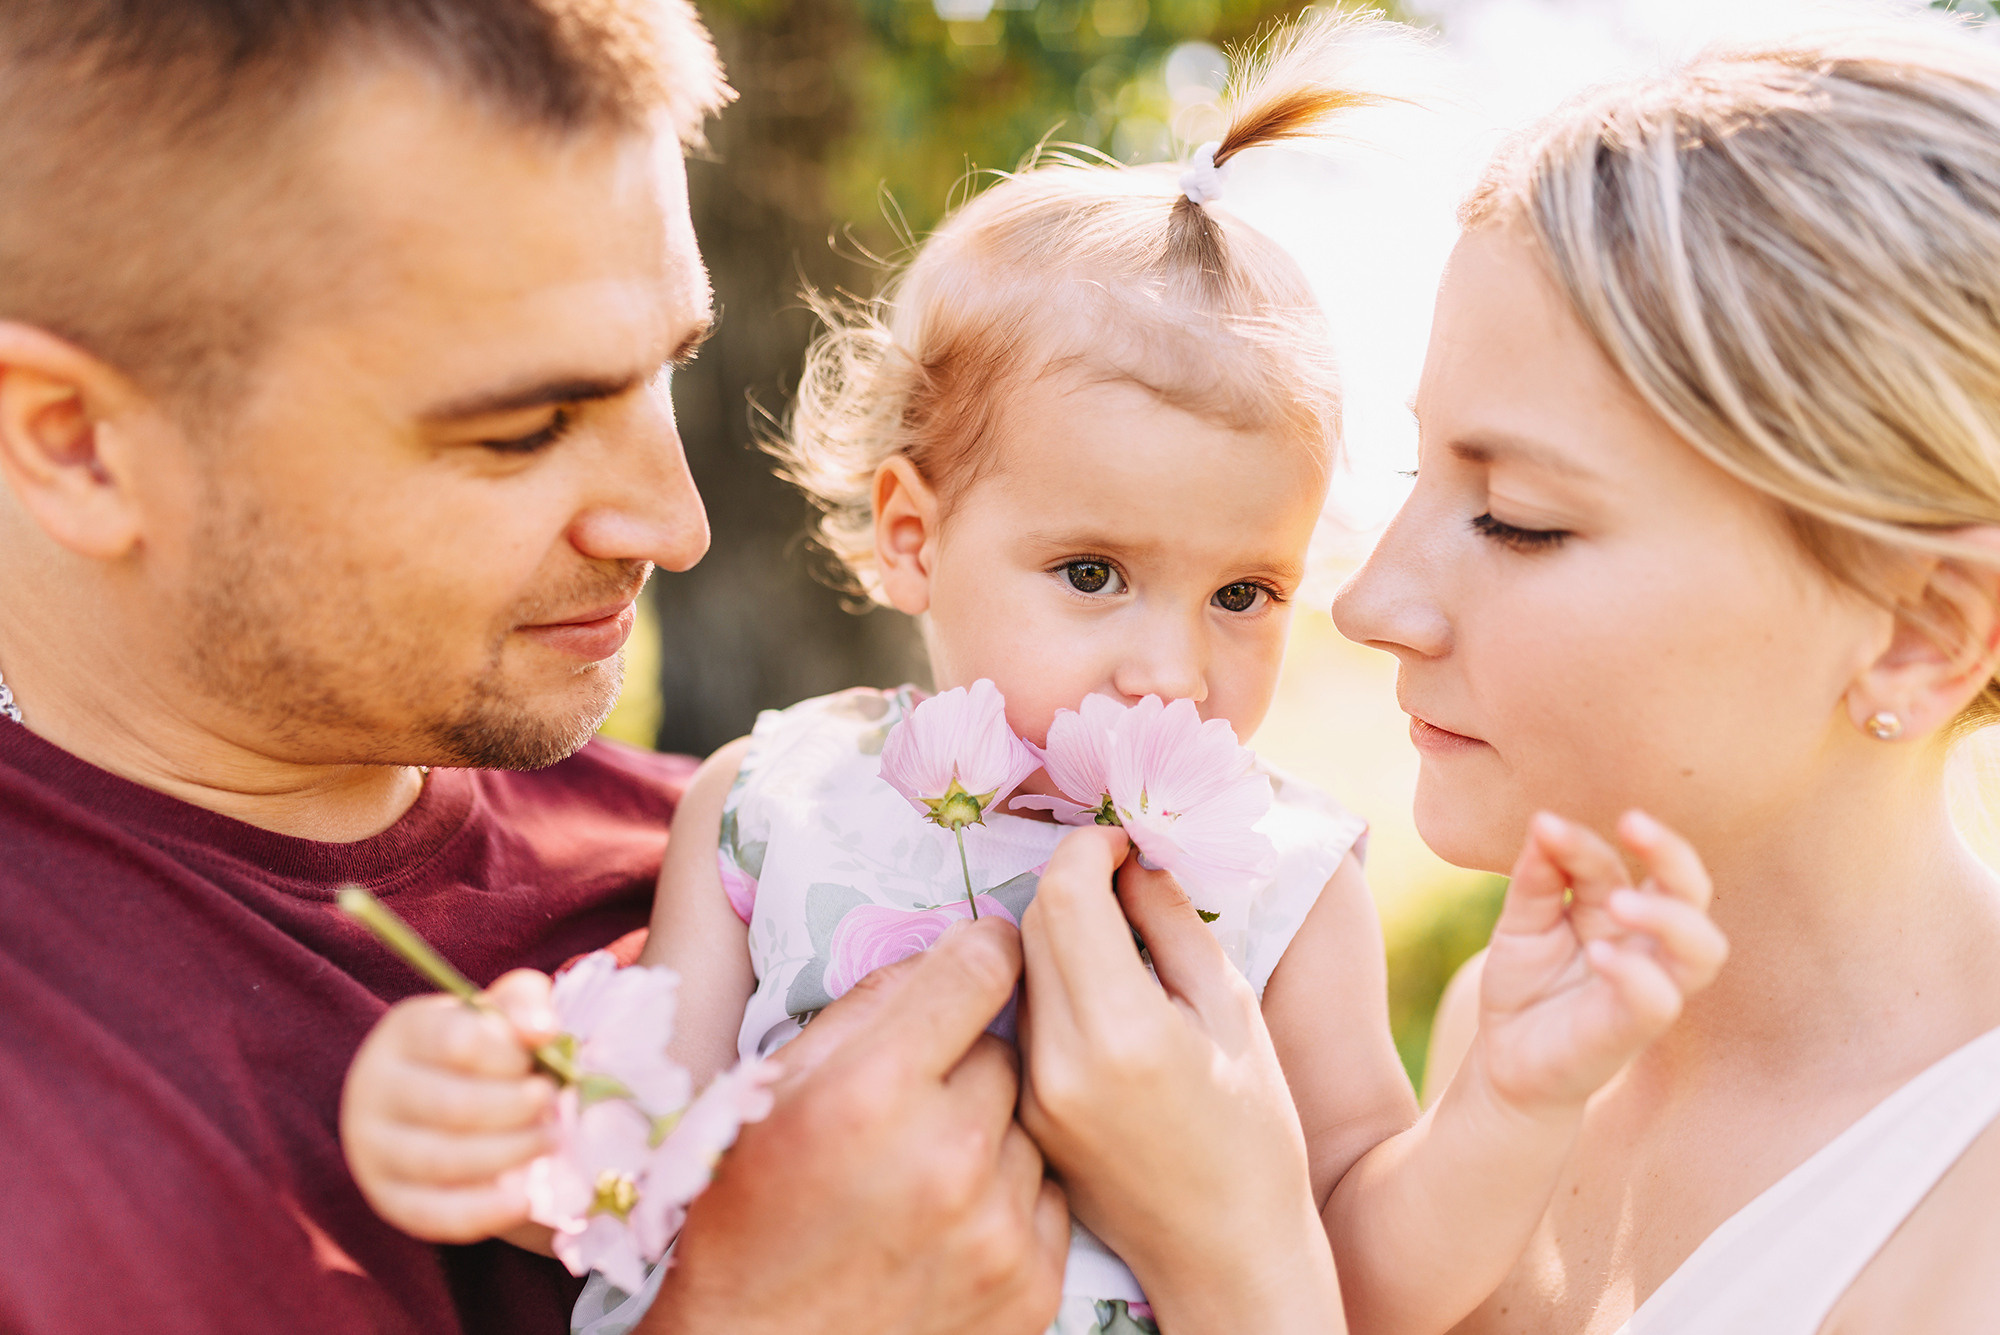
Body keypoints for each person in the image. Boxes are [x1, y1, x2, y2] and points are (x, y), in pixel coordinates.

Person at [339, 16, 1721, 1335]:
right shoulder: (768, 804)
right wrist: (482, 1117)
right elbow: (649, 1149)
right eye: (1092, 574)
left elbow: (1347, 1277)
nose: (1170, 669)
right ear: (913, 535)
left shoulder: (1285, 880)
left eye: (1244, 593)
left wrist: (1510, 1109)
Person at [0, 2, 1067, 1331]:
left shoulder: (760, 874)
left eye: (661, 374)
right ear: (77, 444)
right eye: (523, 428)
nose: (676, 526)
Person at [1016, 16, 2000, 1335]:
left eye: (1519, 516)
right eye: (1421, 474)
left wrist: (1232, 1258)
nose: (1366, 606)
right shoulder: (1516, 1025)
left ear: (1920, 631)